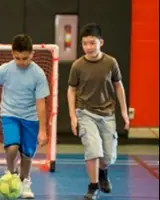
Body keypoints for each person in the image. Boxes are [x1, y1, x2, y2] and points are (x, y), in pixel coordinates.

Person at [0, 34, 49, 199]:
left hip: (30, 118)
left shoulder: (38, 74)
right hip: (9, 114)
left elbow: (41, 103)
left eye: (25, 58)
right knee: (12, 148)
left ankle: (25, 181)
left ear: (32, 54)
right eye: (18, 58)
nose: (22, 62)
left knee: (26, 155)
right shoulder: (6, 69)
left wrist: (43, 130)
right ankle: (12, 175)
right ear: (12, 54)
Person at [67, 23, 129, 200]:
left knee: (108, 157)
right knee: (93, 149)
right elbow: (71, 90)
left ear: (101, 42)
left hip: (107, 115)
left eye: (92, 43)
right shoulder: (77, 66)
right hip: (85, 113)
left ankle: (103, 173)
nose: (88, 47)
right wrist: (73, 116)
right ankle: (93, 186)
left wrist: (124, 111)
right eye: (85, 43)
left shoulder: (111, 63)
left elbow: (118, 86)